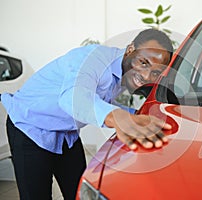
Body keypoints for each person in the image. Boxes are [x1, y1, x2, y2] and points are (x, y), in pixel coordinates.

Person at [1, 28, 173, 200]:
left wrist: (135, 115)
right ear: (130, 49)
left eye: (156, 72)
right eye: (144, 63)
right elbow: (73, 98)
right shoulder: (93, 59)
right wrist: (118, 118)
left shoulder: (124, 72)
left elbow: (100, 99)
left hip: (66, 134)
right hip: (30, 126)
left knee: (80, 194)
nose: (146, 76)